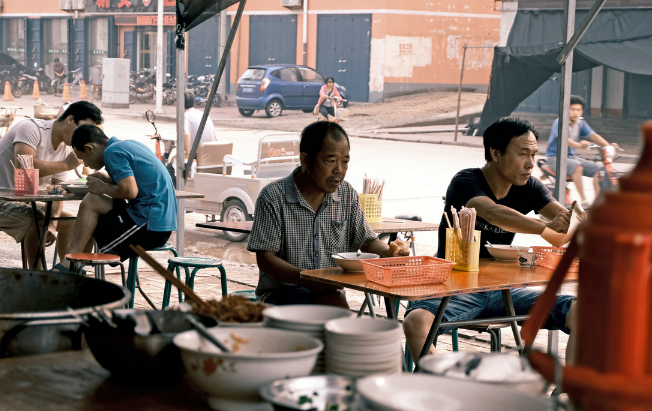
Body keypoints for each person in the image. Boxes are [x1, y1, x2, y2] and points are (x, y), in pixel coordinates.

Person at [403, 116, 579, 364]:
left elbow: (562, 227)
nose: (530, 164)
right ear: (496, 153)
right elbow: (493, 213)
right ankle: (439, 386)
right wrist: (546, 228)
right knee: (415, 322)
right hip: (456, 286)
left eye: (533, 154)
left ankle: (567, 397)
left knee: (582, 311)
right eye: (523, 154)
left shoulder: (530, 187)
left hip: (505, 290)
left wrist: (578, 220)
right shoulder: (466, 181)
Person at [247, 121, 403, 307]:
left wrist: (391, 252)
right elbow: (266, 259)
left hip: (328, 292)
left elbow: (367, 242)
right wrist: (309, 280)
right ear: (306, 160)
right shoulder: (273, 197)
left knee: (335, 307)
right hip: (279, 296)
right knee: (334, 309)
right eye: (330, 161)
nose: (339, 170)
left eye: (345, 161)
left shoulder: (347, 195)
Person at [0, 101, 104, 269]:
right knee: (37, 220)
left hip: (23, 201)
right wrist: (65, 165)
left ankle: (67, 273)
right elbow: (25, 167)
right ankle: (39, 278)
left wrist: (52, 224)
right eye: (82, 129)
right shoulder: (30, 128)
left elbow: (56, 190)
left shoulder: (66, 149)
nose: (84, 136)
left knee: (72, 221)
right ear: (70, 119)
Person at [54, 125, 177, 272]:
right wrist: (108, 179)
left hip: (150, 226)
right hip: (158, 220)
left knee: (93, 217)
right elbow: (137, 182)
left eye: (83, 158)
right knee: (92, 204)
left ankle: (72, 262)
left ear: (90, 148)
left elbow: (130, 191)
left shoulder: (111, 153)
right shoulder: (127, 145)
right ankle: (75, 262)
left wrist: (102, 188)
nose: (86, 164)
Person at [545, 95, 616, 206]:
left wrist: (608, 146)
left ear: (582, 111)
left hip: (572, 158)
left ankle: (597, 204)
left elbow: (593, 136)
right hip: (555, 158)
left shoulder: (581, 123)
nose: (575, 113)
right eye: (572, 109)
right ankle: (583, 201)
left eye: (578, 110)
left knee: (600, 169)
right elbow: (563, 138)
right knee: (577, 166)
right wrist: (578, 145)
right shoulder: (559, 121)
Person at [184, 91, 217, 156]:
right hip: (212, 154)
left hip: (198, 155)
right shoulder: (202, 114)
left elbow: (186, 134)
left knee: (171, 165)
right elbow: (216, 137)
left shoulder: (185, 116)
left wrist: (187, 155)